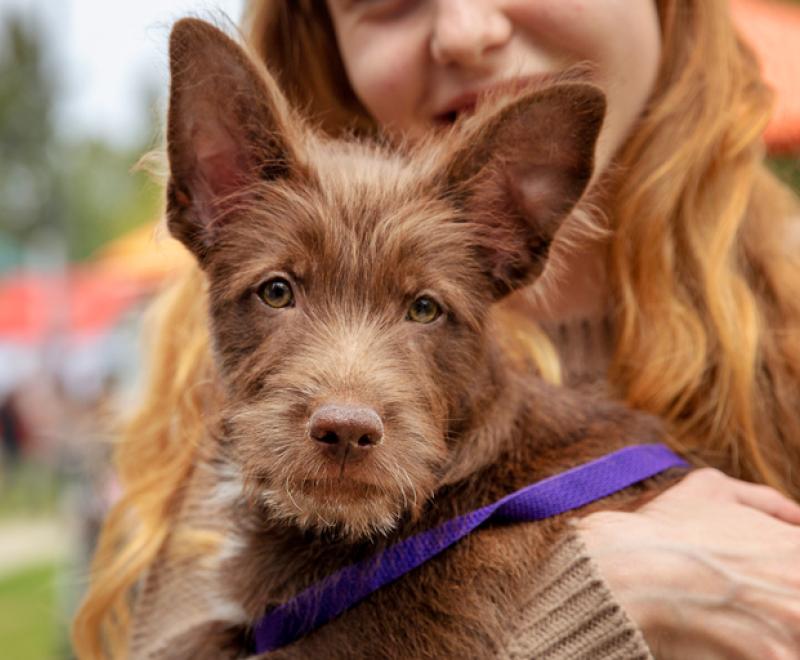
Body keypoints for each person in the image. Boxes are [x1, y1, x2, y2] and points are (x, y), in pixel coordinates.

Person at [72, 1, 800, 658]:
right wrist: (597, 603)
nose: (465, 30)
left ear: (513, 237)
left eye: (423, 308)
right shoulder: (207, 401)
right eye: (278, 291)